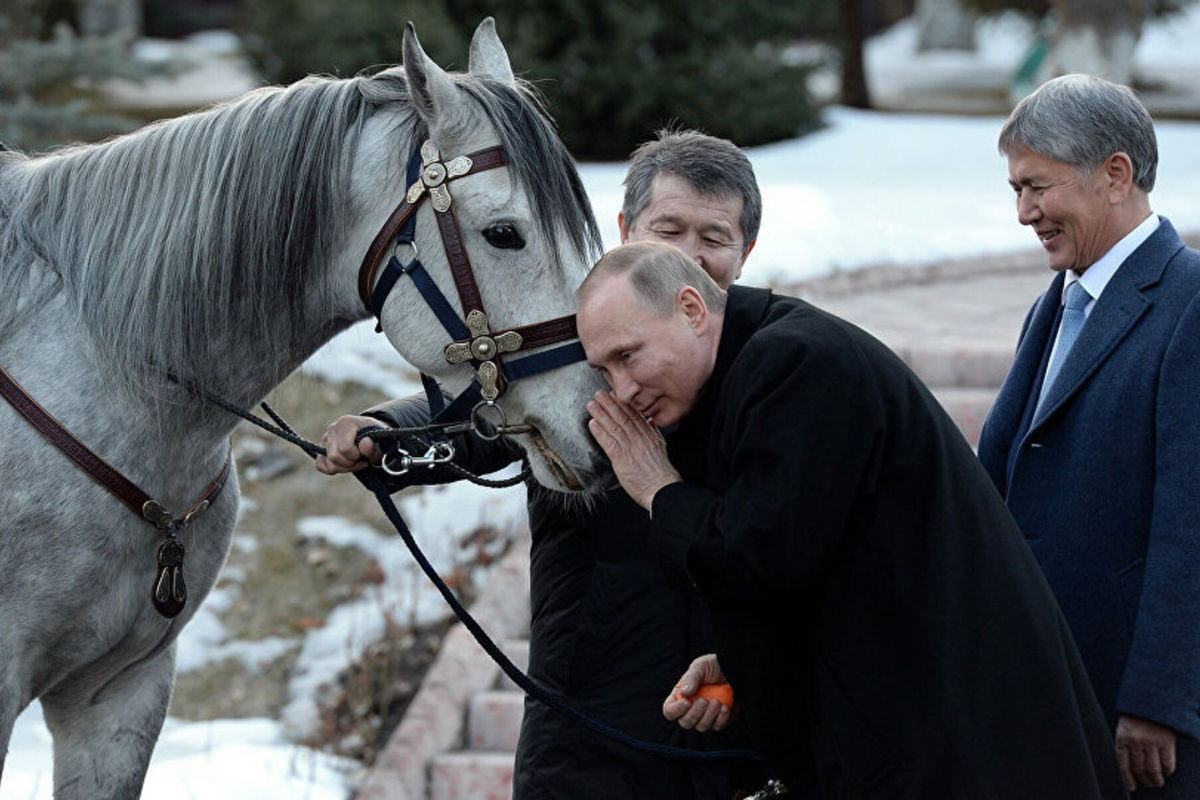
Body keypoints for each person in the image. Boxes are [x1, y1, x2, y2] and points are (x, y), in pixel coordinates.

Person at [580, 240, 1128, 798]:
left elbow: (759, 559)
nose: (621, 391)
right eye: (604, 370)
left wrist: (658, 490)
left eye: (629, 356)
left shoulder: (794, 361)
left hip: (960, 743)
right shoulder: (759, 363)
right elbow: (820, 562)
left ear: (693, 310)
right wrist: (744, 660)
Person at [318, 130, 764, 798]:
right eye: (668, 229)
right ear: (624, 229)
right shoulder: (576, 345)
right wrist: (387, 433)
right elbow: (486, 416)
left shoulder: (775, 369)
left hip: (731, 733)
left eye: (714, 237)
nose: (690, 257)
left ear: (746, 249)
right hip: (586, 729)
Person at [976, 74, 1200, 797]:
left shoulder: (1189, 302)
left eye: (1037, 186)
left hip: (1139, 720)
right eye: (1016, 190)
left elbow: (1189, 521)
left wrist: (1158, 699)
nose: (1023, 213)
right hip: (1050, 691)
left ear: (1115, 174)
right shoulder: (1056, 303)